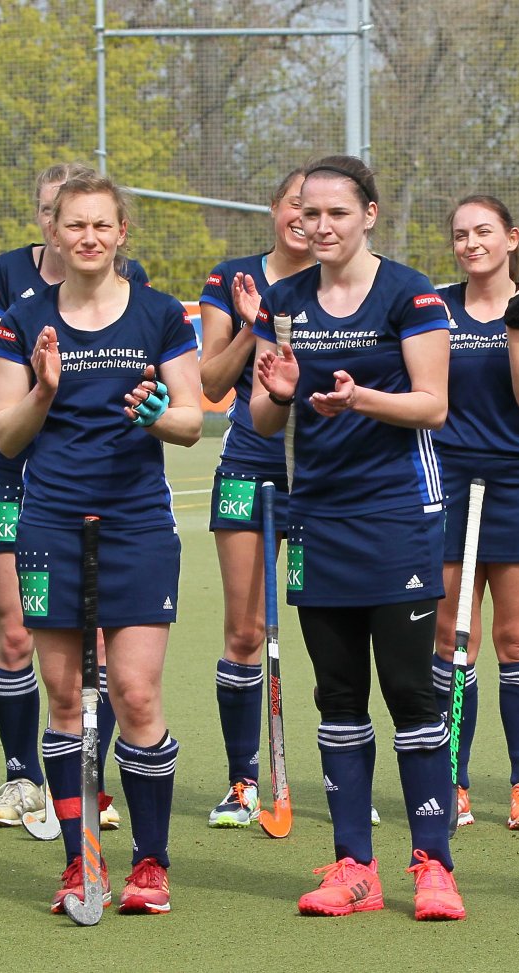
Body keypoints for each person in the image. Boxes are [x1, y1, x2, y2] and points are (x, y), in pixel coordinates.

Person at [234, 154, 464, 921]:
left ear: (368, 214)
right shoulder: (283, 300)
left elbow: (432, 406)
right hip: (318, 517)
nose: (320, 225)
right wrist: (279, 393)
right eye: (309, 214)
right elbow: (268, 419)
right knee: (337, 694)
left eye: (337, 212)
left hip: (398, 513)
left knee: (409, 691)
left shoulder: (410, 292)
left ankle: (434, 863)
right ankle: (353, 866)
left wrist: (359, 396)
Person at [0, 172, 201, 915]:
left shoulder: (159, 315)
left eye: (100, 226)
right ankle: (81, 861)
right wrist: (43, 390)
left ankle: (150, 861)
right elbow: (7, 435)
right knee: (65, 698)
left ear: (121, 235)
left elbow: (192, 420)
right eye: (74, 225)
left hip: (137, 524)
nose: (87, 237)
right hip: (49, 524)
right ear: (55, 232)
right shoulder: (25, 318)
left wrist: (154, 411)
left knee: (137, 693)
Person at [0, 163, 145, 835]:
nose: (68, 228)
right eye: (55, 214)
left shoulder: (129, 292)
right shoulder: (12, 277)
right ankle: (22, 778)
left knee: (94, 640)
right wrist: (41, 364)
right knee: (16, 629)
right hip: (16, 470)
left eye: (84, 218)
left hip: (90, 478)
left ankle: (83, 785)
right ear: (44, 220)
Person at [428, 195, 519, 831]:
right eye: (460, 234)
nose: (471, 243)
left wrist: (514, 325)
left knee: (518, 640)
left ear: (512, 238)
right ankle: (451, 782)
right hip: (446, 482)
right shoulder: (434, 307)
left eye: (484, 232)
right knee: (454, 640)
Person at [194, 166, 311, 828]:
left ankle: (335, 773)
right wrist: (248, 326)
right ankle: (242, 781)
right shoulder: (232, 276)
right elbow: (210, 382)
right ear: (273, 208)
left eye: (318, 207)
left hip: (324, 472)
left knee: (329, 627)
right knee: (244, 628)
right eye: (294, 203)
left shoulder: (341, 282)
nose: (306, 217)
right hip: (250, 462)